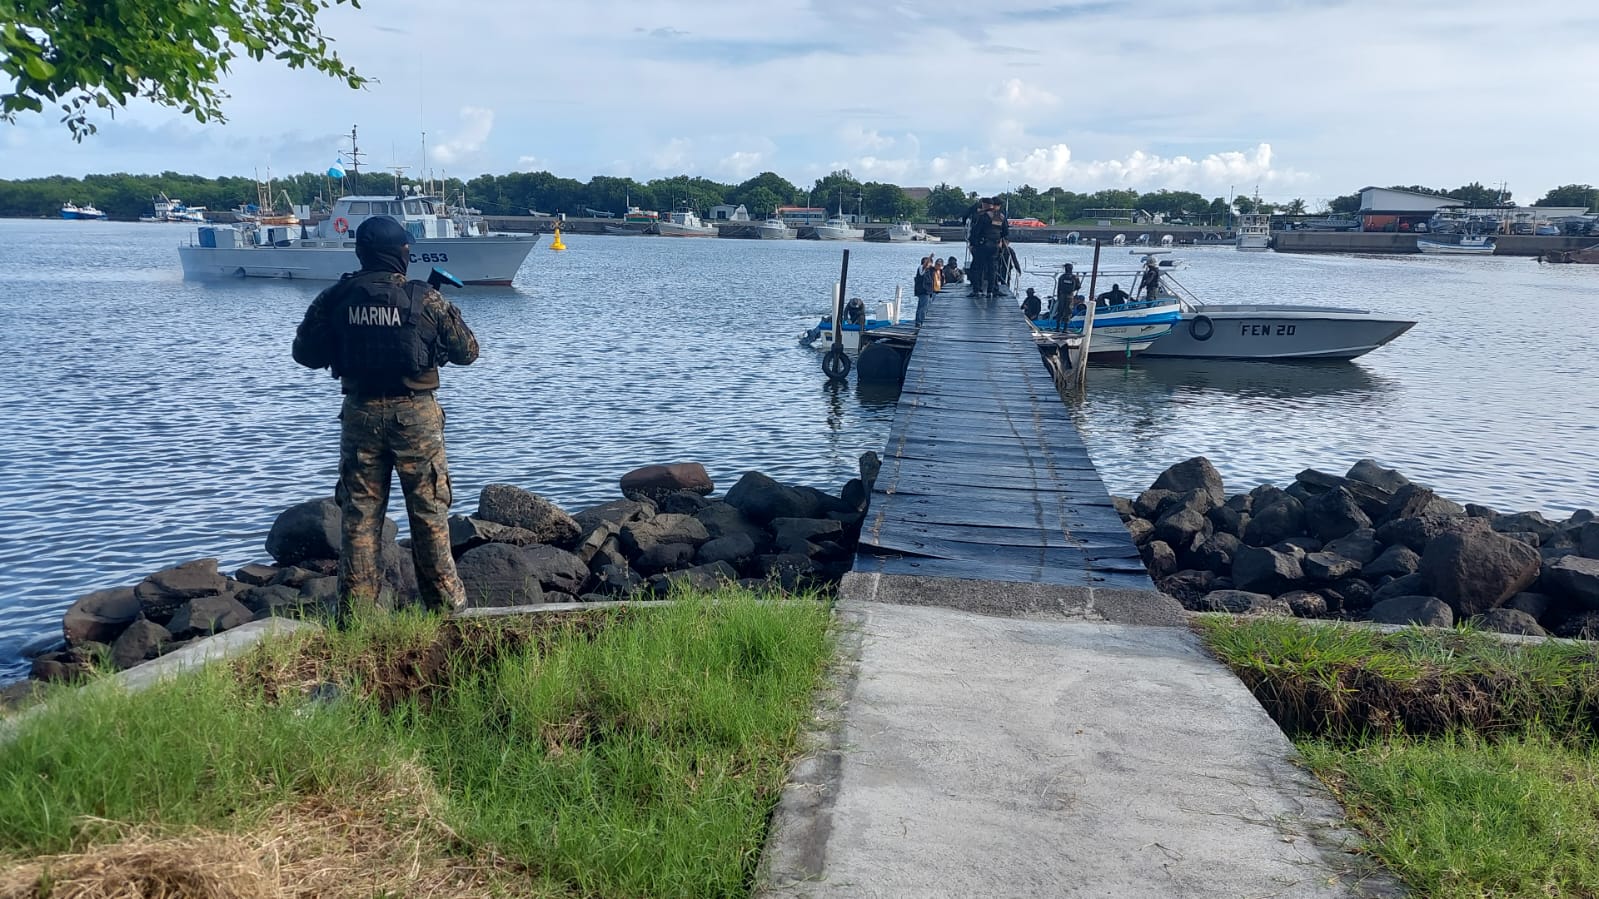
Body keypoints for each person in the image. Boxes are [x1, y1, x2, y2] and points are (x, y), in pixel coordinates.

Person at [292, 216, 479, 615]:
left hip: (359, 414)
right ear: (402, 254)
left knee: (359, 516)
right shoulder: (425, 298)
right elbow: (468, 352)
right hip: (416, 417)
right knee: (429, 511)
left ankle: (356, 614)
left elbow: (305, 355)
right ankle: (446, 607)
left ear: (361, 253)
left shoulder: (336, 297)